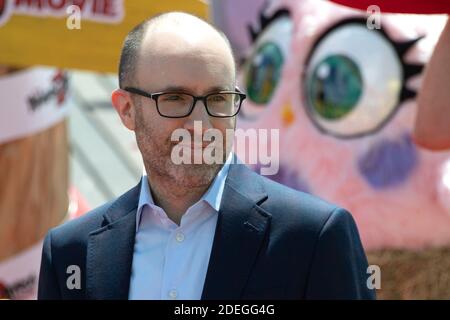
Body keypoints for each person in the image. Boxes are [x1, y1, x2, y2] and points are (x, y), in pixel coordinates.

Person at [37, 12, 375, 300]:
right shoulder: (71, 252)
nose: (200, 125)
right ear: (126, 110)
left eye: (217, 99)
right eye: (175, 99)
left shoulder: (313, 238)